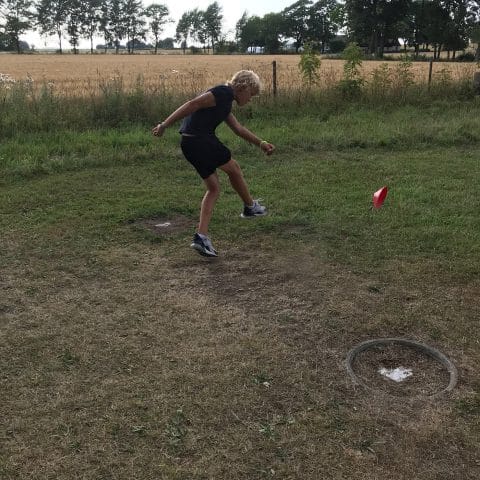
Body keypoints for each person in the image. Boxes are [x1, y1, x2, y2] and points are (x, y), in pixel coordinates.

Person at [152, 69, 275, 258]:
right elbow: (192, 104)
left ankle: (201, 237)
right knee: (234, 168)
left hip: (189, 143)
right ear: (243, 87)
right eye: (251, 94)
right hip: (201, 140)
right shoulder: (223, 93)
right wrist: (164, 125)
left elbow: (238, 129)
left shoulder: (225, 102)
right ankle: (250, 207)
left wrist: (261, 143)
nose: (250, 99)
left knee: (214, 189)